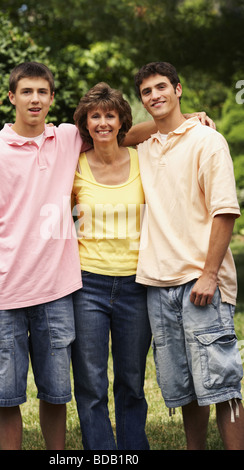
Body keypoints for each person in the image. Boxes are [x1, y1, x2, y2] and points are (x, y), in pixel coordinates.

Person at [0, 62, 159, 450]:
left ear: (52, 98)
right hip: (6, 290)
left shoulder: (67, 138)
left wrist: (182, 119)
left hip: (57, 290)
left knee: (57, 390)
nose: (35, 99)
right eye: (27, 92)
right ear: (12, 97)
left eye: (42, 92)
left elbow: (119, 131)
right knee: (9, 393)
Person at [134, 61, 244, 450]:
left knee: (223, 383)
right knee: (184, 387)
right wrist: (170, 123)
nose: (155, 96)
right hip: (157, 284)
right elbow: (113, 132)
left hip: (201, 281)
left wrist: (209, 274)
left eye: (162, 87)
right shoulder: (144, 146)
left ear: (178, 89)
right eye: (147, 92)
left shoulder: (207, 141)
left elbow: (225, 210)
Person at [71, 82, 151, 450]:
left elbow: (163, 125)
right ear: (86, 123)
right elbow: (37, 199)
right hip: (88, 284)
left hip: (136, 284)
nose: (103, 122)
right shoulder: (74, 167)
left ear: (121, 122)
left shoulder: (141, 158)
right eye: (95, 116)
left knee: (132, 380)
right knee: (90, 381)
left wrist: (194, 116)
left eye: (110, 115)